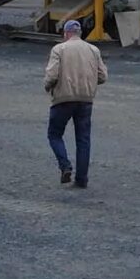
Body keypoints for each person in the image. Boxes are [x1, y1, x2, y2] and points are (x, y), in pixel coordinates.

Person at [41, 18, 105, 188]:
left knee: (54, 134)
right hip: (85, 100)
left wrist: (48, 87)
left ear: (66, 33)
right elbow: (102, 76)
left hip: (63, 99)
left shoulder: (59, 49)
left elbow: (52, 75)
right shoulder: (93, 49)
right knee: (83, 139)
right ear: (79, 33)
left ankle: (65, 166)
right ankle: (82, 180)